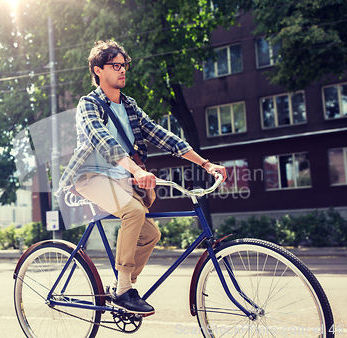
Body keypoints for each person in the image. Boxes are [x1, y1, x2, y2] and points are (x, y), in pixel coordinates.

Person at [55, 40, 227, 314]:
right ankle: (124, 291)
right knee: (134, 212)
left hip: (118, 179)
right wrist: (136, 170)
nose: (122, 70)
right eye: (115, 65)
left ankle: (122, 287)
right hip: (89, 176)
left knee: (150, 234)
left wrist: (206, 164)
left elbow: (162, 135)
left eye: (124, 65)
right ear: (99, 71)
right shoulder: (88, 104)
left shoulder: (129, 106)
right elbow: (103, 140)